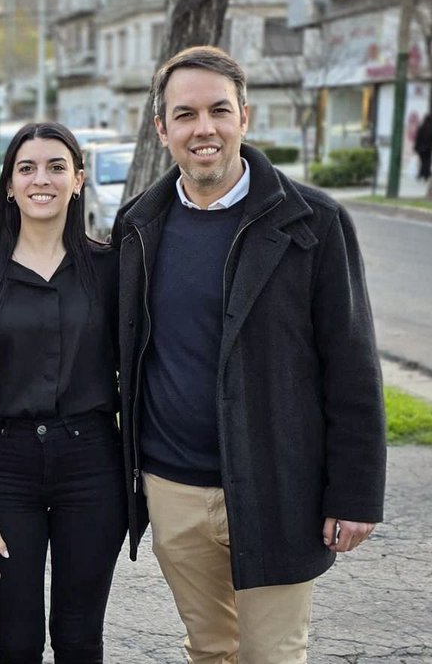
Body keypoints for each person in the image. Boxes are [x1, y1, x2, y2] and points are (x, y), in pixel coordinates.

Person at [112, 45, 386, 663]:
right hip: (174, 487)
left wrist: (356, 493)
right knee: (211, 651)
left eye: (218, 111)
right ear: (162, 129)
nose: (202, 128)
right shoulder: (139, 226)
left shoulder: (313, 222)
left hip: (277, 484)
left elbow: (352, 366)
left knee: (273, 656)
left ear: (245, 116)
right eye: (184, 115)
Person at [0, 122, 126, 662]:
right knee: (17, 639)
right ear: (8, 185)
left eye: (55, 167)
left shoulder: (110, 268)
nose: (40, 179)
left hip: (92, 466)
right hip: (7, 468)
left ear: (78, 180)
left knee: (79, 636)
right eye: (26, 168)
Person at [415, 114, 432, 180]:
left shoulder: (421, 127)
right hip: (428, 148)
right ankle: (425, 174)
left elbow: (418, 138)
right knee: (427, 161)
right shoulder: (430, 128)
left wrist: (416, 147)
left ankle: (422, 174)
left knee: (423, 161)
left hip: (421, 148)